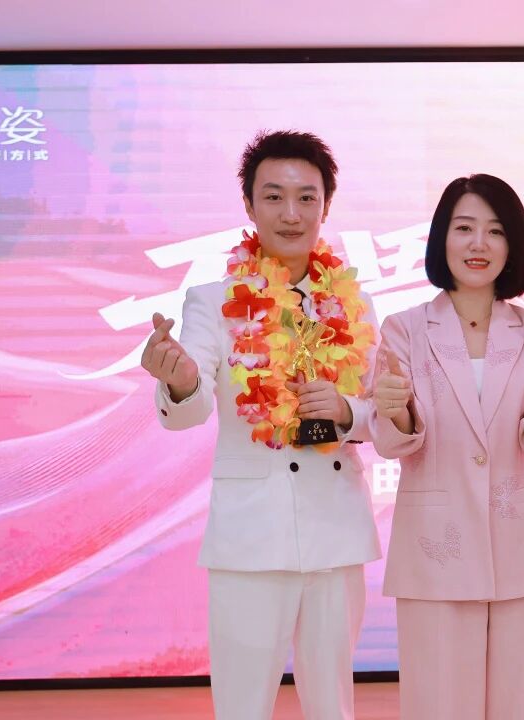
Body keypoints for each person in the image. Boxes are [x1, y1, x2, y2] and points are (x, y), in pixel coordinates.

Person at [140, 130, 380, 720]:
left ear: (326, 206)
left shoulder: (355, 304)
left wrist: (347, 412)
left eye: (306, 197)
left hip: (335, 528)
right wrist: (179, 380)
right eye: (273, 196)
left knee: (333, 706)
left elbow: (383, 414)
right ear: (249, 205)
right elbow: (192, 406)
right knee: (242, 706)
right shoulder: (212, 301)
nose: (291, 214)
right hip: (250, 534)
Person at [371, 174, 524, 720]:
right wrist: (395, 407)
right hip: (435, 550)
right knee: (439, 706)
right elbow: (395, 440)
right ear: (442, 237)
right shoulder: (404, 330)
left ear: (513, 245)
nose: (479, 244)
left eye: (495, 231)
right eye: (464, 228)